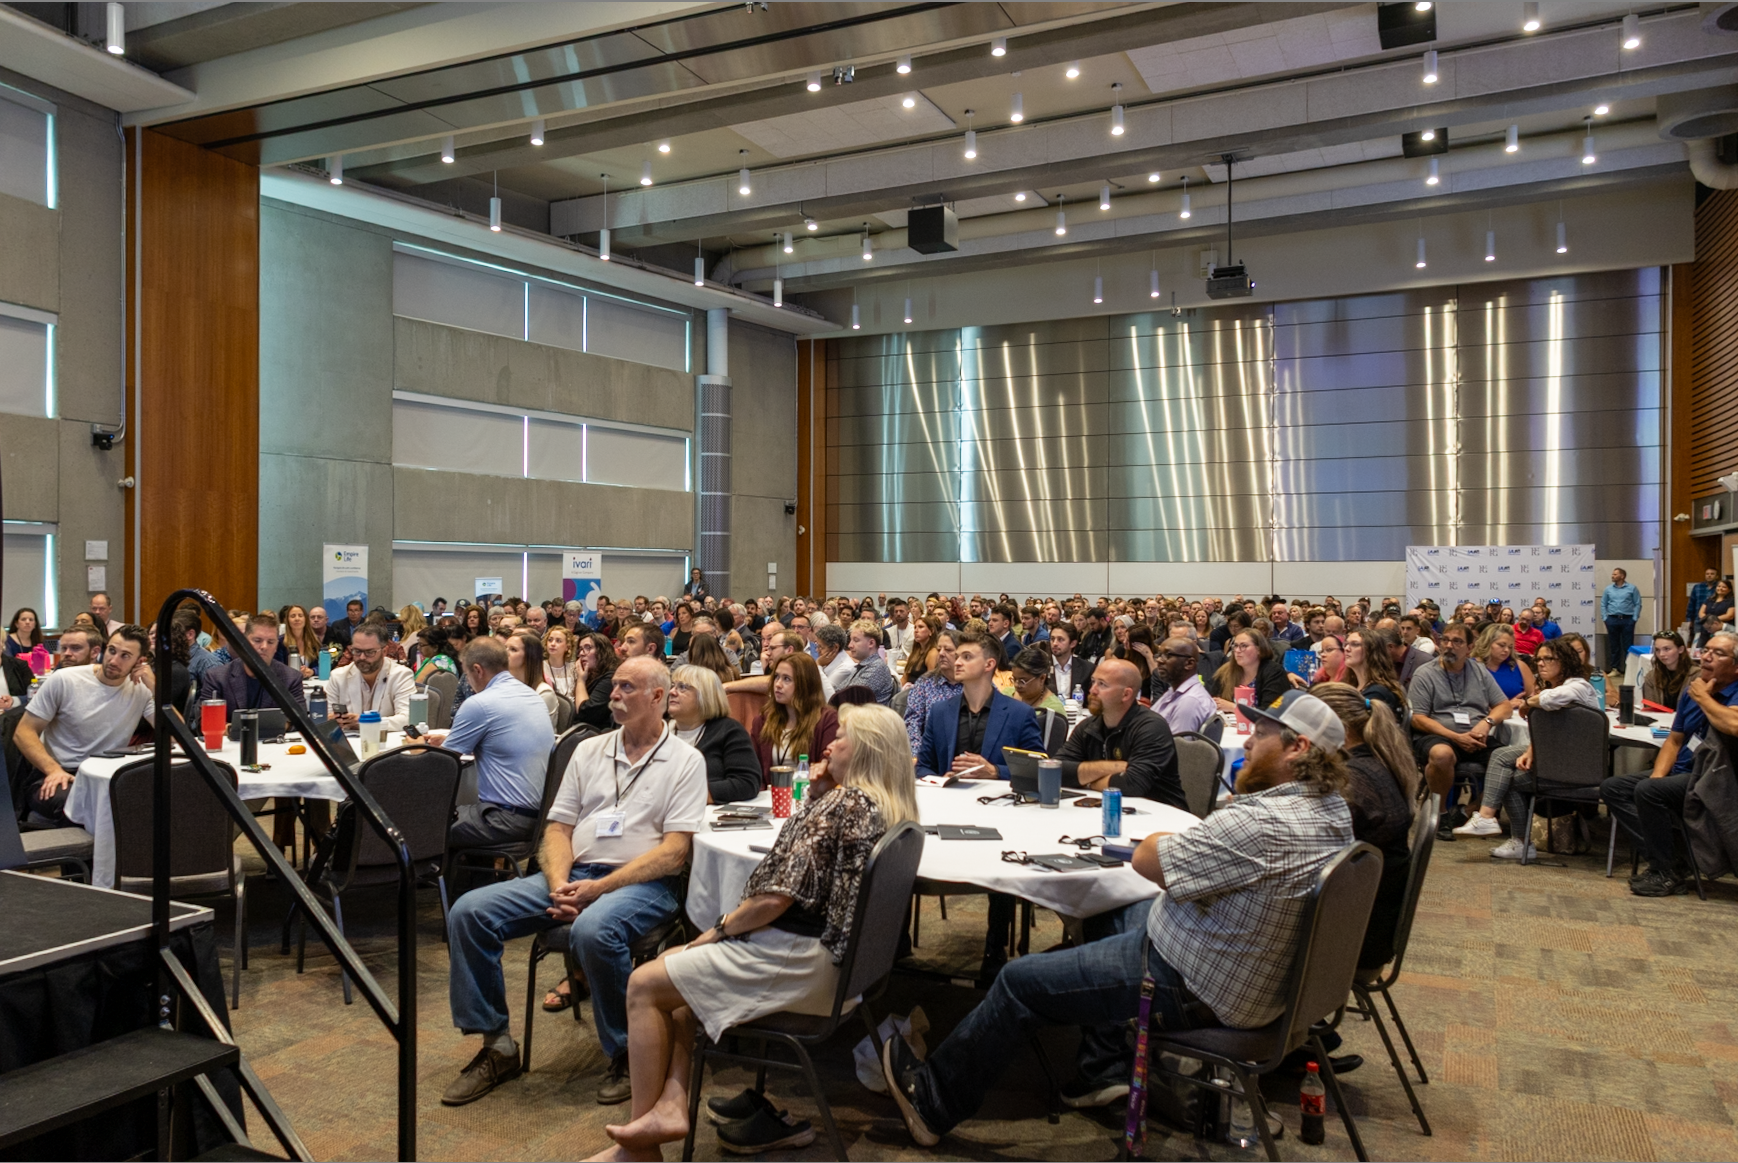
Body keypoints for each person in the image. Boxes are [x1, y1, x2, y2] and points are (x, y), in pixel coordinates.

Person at [881, 689, 1353, 1147]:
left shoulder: (1263, 822)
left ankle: (933, 1102)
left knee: (1017, 980)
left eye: (1263, 734)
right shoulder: (1332, 813)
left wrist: (1165, 842)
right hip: (1240, 965)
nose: (1248, 742)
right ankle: (1099, 1069)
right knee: (1119, 905)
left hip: (1193, 982)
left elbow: (1151, 860)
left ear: (1298, 748)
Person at [599, 704, 919, 1159]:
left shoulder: (844, 804)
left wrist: (721, 928)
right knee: (673, 972)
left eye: (842, 736)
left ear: (866, 750)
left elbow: (775, 900)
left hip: (802, 960)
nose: (828, 743)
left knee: (643, 984)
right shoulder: (887, 806)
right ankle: (670, 1105)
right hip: (841, 970)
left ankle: (638, 1152)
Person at [443, 657, 704, 1109]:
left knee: (593, 929)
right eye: (615, 685)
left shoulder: (685, 761)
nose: (615, 695)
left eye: (627, 687)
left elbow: (674, 853)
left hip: (646, 883)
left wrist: (595, 892)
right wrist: (563, 884)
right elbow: (558, 829)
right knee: (469, 912)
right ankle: (497, 1046)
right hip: (574, 874)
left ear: (659, 697)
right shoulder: (589, 750)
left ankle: (628, 1052)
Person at [1602, 630, 1738, 896]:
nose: (1707, 657)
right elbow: (1674, 741)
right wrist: (1658, 776)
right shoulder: (1694, 691)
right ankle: (1674, 859)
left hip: (1715, 779)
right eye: (1706, 650)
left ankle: (1663, 870)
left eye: (1718, 653)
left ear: (1735, 666)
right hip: (1682, 772)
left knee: (1650, 792)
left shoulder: (1721, 692)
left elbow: (1732, 724)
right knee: (1614, 787)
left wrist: (1704, 698)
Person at [1453, 638, 1597, 859]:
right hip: (1556, 759)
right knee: (1506, 773)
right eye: (1538, 659)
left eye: (1548, 658)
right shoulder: (1554, 687)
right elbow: (1552, 730)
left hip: (1577, 768)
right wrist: (1531, 751)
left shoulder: (1579, 686)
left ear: (1565, 661)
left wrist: (1529, 702)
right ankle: (1506, 832)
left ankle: (1490, 820)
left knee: (1501, 761)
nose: (1540, 664)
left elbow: (1553, 698)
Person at [1311, 682, 1418, 971]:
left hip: (1350, 940)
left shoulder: (1353, 783)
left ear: (1339, 729)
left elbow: (1307, 852)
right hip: (1368, 922)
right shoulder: (1376, 762)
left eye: (1309, 727)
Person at [16, 624, 157, 827]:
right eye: (112, 651)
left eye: (125, 656)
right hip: (61, 772)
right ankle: (94, 859)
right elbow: (23, 732)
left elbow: (175, 734)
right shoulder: (65, 680)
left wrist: (155, 687)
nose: (114, 660)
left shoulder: (141, 689)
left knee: (151, 803)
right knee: (90, 807)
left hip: (108, 774)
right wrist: (53, 769)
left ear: (139, 661)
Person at [425, 637, 556, 849]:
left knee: (423, 826)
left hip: (505, 819)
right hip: (541, 818)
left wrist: (416, 748)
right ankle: (478, 879)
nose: (467, 681)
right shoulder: (532, 695)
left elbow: (442, 766)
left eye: (466, 675)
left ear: (477, 670)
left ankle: (444, 881)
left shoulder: (479, 704)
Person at [1408, 621, 1517, 833]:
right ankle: (1440, 815)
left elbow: (1504, 707)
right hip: (1438, 734)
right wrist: (1456, 737)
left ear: (1469, 647)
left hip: (1477, 735)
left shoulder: (1479, 672)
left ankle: (1471, 812)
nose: (1449, 645)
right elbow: (1418, 718)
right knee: (1441, 755)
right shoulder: (1425, 673)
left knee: (1511, 760)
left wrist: (1486, 724)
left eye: (1457, 641)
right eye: (1446, 640)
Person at [1055, 658, 1184, 808]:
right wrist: (1112, 768)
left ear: (1126, 694)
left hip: (1161, 815)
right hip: (1108, 810)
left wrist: (1087, 781)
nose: (1092, 690)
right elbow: (1057, 770)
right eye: (1093, 681)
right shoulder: (1088, 726)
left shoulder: (1152, 728)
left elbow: (1132, 785)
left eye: (1102, 684)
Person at [915, 629, 1042, 781]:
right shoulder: (940, 711)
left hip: (996, 799)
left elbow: (1037, 768)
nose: (957, 663)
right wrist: (940, 779)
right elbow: (922, 766)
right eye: (957, 657)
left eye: (967, 657)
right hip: (951, 799)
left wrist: (995, 771)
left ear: (988, 664)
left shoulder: (1019, 714)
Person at [667, 665, 760, 805]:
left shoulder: (729, 731)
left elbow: (746, 782)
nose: (672, 692)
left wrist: (689, 795)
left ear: (705, 695)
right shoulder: (658, 732)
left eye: (683, 687)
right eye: (673, 685)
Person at [751, 653, 840, 780]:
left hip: (808, 795)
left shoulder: (827, 720)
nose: (778, 684)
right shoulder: (762, 721)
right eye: (776, 677)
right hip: (770, 796)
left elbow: (826, 770)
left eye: (786, 679)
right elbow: (754, 771)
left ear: (805, 684)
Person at [198, 613, 307, 715]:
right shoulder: (217, 677)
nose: (264, 647)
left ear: (276, 646)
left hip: (276, 735)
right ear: (244, 642)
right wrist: (232, 729)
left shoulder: (291, 678)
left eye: (270, 642)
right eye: (257, 640)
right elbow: (202, 720)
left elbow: (302, 720)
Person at [324, 623, 417, 731]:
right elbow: (326, 719)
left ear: (384, 651)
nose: (362, 657)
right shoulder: (338, 677)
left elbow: (408, 719)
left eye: (369, 652)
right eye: (357, 651)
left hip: (386, 743)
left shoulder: (401, 675)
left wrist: (364, 721)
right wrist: (332, 721)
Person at [903, 630, 961, 753]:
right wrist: (917, 753)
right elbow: (912, 721)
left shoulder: (974, 683)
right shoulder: (926, 682)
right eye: (939, 649)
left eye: (948, 650)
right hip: (930, 752)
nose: (941, 654)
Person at [1209, 629, 1289, 714]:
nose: (1237, 650)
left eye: (1244, 646)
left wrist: (1234, 707)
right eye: (1235, 646)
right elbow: (1214, 702)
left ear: (1259, 649)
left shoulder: (1274, 672)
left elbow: (1271, 712)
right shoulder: (1225, 671)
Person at [1008, 646, 1070, 755]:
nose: (1017, 685)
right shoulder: (1007, 695)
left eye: (1023, 681)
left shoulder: (1052, 711)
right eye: (1014, 679)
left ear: (1042, 678)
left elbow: (1050, 752)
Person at [1151, 637, 1217, 737]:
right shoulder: (1174, 691)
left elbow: (1178, 750)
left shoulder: (1190, 701)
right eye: (1159, 654)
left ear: (1189, 664)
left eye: (1167, 655)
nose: (1159, 660)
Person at [1344, 628, 1408, 715]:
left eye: (1354, 644)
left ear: (1371, 651)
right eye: (1346, 644)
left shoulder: (1378, 692)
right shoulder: (1355, 685)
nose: (1347, 648)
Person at [834, 620, 896, 706]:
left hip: (866, 718)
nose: (850, 645)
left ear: (871, 643)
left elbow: (846, 699)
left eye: (856, 640)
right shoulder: (863, 666)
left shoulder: (877, 668)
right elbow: (838, 692)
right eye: (851, 640)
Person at [506, 630, 560, 728]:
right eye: (505, 648)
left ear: (529, 656)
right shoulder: (503, 685)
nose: (505, 653)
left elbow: (532, 732)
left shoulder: (544, 693)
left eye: (513, 649)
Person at [1474, 624, 1535, 702]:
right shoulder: (1472, 666)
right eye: (1501, 645)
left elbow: (1533, 697)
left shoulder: (1520, 666)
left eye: (1510, 647)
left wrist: (1525, 703)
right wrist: (1507, 707)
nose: (1506, 650)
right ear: (1487, 643)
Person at [574, 632, 622, 730]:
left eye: (588, 648)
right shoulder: (592, 674)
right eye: (580, 649)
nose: (581, 653)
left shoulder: (611, 677)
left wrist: (580, 681)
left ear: (602, 651)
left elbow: (586, 713)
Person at [1601, 566, 1643, 675]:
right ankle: (1615, 669)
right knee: (1614, 645)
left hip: (1627, 620)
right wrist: (1605, 618)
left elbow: (1637, 603)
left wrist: (1634, 618)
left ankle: (1630, 669)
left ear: (1622, 576)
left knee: (1628, 645)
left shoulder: (1632, 588)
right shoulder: (1608, 589)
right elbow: (1603, 604)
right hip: (1612, 619)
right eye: (1613, 574)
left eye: (1615, 574)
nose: (1612, 576)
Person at [1643, 631, 1697, 710]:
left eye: (1666, 649)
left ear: (1681, 649)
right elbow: (1651, 709)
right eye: (1657, 650)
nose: (1661, 654)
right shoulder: (1652, 677)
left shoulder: (1696, 675)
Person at [1047, 621, 1093, 700]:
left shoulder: (1087, 669)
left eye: (1060, 639)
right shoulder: (1040, 667)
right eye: (1052, 639)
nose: (1054, 643)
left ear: (1073, 644)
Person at [543, 625, 579, 701]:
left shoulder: (574, 668)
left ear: (567, 647)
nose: (552, 644)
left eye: (558, 641)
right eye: (550, 640)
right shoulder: (539, 667)